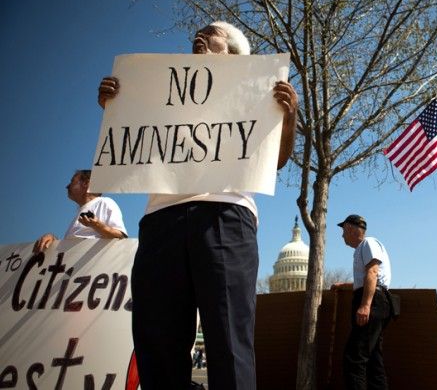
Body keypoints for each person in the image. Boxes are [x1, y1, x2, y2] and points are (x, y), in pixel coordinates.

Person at [98, 21, 297, 390]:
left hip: (225, 216)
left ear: (235, 53)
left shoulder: (255, 92)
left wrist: (289, 117)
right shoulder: (160, 88)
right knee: (157, 341)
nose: (201, 36)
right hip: (160, 220)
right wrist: (118, 105)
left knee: (228, 341)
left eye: (212, 32)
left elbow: (278, 160)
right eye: (198, 33)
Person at [334, 214, 393, 390]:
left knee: (354, 358)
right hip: (375, 299)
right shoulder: (361, 249)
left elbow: (373, 272)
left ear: (351, 229)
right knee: (374, 360)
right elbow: (367, 278)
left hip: (372, 301)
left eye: (343, 231)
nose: (342, 235)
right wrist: (345, 285)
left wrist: (365, 305)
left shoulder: (368, 243)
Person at [33, 169, 127, 253]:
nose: (67, 186)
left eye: (72, 181)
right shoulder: (78, 215)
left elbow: (120, 237)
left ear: (86, 183)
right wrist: (53, 241)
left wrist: (97, 225)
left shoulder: (105, 203)